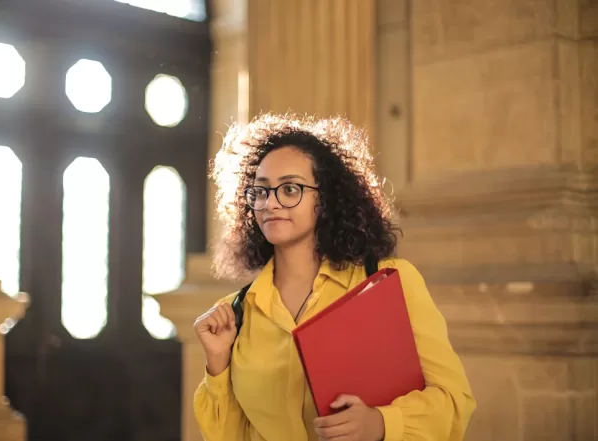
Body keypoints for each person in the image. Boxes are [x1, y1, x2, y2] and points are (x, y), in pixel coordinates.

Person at [193, 113, 476, 441]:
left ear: (324, 199)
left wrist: (382, 423)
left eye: (289, 189)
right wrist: (218, 364)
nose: (270, 203)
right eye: (260, 191)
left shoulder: (388, 281)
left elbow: (455, 402)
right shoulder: (236, 314)